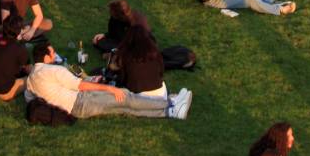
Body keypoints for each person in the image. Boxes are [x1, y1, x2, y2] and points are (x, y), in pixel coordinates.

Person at [23, 42, 191, 120]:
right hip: (82, 101)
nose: (55, 56)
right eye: (52, 54)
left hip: (75, 107)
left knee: (125, 108)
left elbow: (31, 99)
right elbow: (80, 85)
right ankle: (170, 104)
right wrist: (109, 88)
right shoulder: (53, 70)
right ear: (46, 57)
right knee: (125, 97)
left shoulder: (31, 80)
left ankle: (169, 112)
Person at [110, 20, 167, 98]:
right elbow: (161, 72)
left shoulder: (125, 55)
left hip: (138, 97)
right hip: (161, 93)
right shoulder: (155, 52)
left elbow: (114, 69)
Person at [0, 17, 30, 101]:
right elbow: (28, 68)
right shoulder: (20, 48)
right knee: (30, 79)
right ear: (19, 31)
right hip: (3, 92)